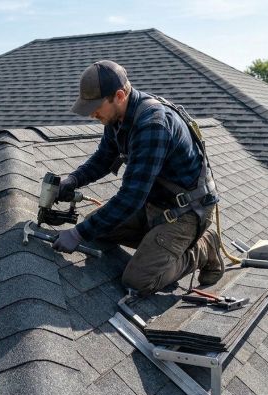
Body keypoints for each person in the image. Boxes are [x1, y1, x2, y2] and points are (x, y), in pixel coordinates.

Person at [52, 60, 224, 295]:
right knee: (97, 227)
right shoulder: (117, 118)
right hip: (154, 205)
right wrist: (72, 180)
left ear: (119, 95)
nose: (92, 114)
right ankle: (159, 245)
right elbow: (103, 158)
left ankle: (204, 247)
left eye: (96, 107)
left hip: (186, 212)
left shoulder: (153, 124)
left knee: (138, 281)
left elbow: (131, 197)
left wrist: (77, 233)